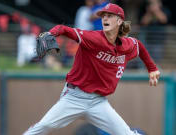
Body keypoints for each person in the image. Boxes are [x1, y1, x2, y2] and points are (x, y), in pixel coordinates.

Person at [23, 3, 160, 135]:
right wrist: (51, 33)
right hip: (74, 97)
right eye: (103, 16)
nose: (105, 18)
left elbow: (139, 46)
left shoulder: (126, 45)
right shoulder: (93, 38)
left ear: (119, 21)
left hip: (98, 102)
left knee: (126, 133)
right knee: (45, 126)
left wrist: (152, 68)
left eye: (109, 15)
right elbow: (63, 29)